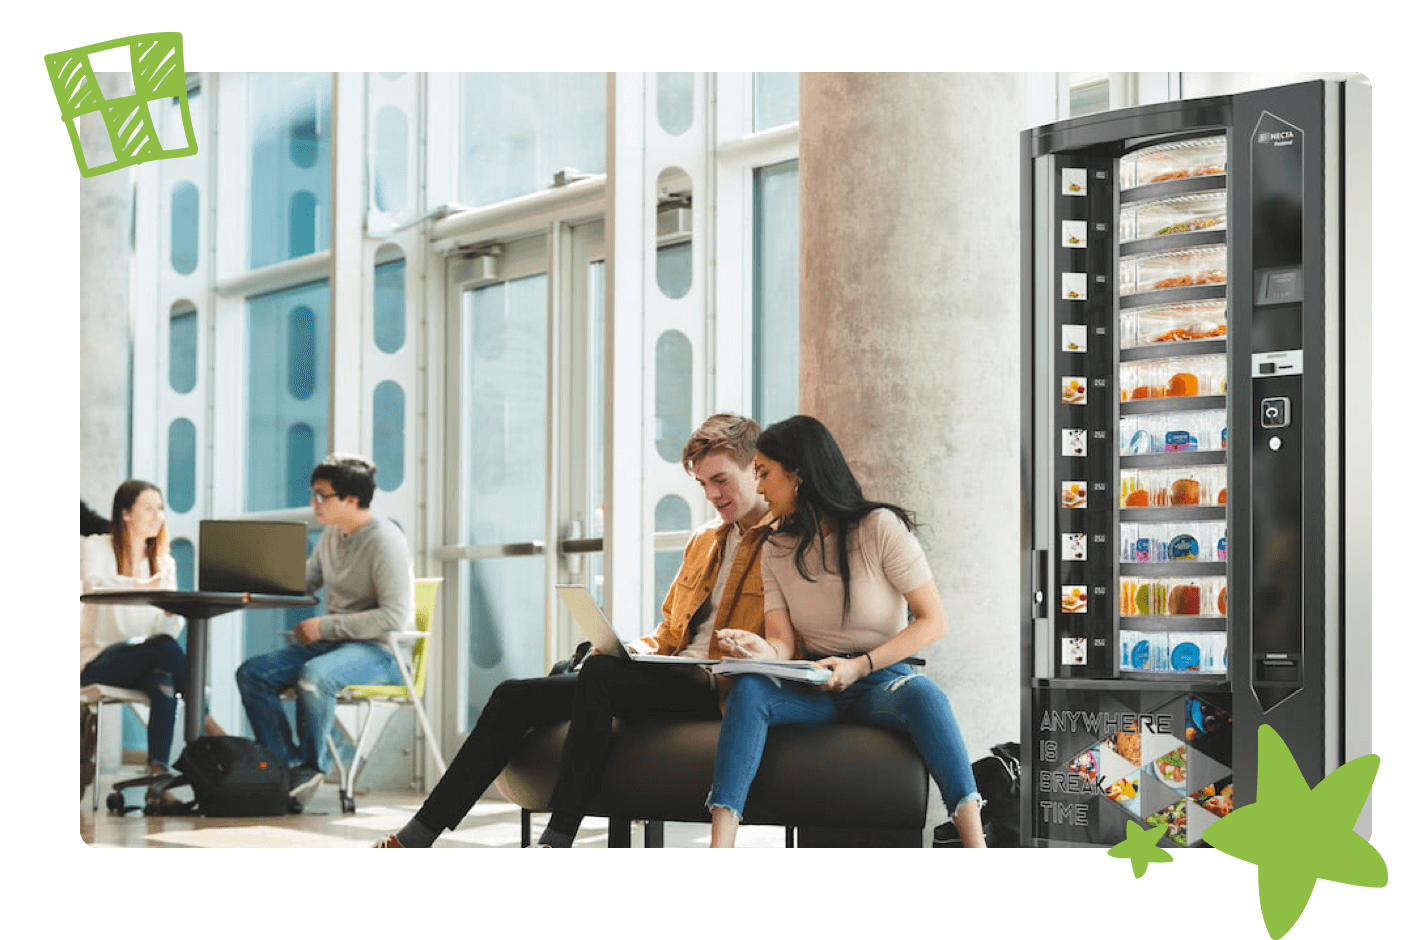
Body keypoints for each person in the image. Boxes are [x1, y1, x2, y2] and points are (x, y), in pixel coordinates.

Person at [375, 413, 773, 847]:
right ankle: (418, 835)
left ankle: (559, 835)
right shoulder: (705, 540)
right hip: (672, 672)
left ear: (756, 468)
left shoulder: (784, 542)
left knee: (600, 678)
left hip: (716, 689)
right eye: (703, 485)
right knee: (514, 693)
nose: (713, 494)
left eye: (721, 480)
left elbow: (785, 641)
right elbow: (669, 631)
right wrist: (627, 649)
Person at [709, 415, 987, 848]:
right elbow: (783, 644)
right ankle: (719, 844)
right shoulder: (776, 546)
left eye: (764, 473)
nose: (759, 487)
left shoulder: (879, 528)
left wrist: (860, 666)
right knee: (748, 689)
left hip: (880, 679)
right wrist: (760, 648)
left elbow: (934, 620)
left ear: (798, 475)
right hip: (814, 683)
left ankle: (975, 842)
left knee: (926, 695)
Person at [236, 454, 411, 810]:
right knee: (252, 673)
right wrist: (251, 577)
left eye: (321, 495)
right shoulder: (332, 536)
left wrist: (325, 626)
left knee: (314, 676)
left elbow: (394, 615)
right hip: (333, 647)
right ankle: (286, 769)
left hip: (379, 653)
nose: (314, 503)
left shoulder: (385, 540)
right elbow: (306, 581)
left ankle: (313, 767)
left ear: (350, 499)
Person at [81, 480, 220, 805]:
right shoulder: (97, 547)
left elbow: (167, 632)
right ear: (126, 514)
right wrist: (146, 585)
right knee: (161, 651)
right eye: (148, 508)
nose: (158, 515)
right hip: (97, 662)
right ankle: (205, 716)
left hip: (143, 658)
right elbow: (94, 587)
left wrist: (172, 612)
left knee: (164, 677)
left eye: (161, 508)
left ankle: (157, 778)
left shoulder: (164, 561)